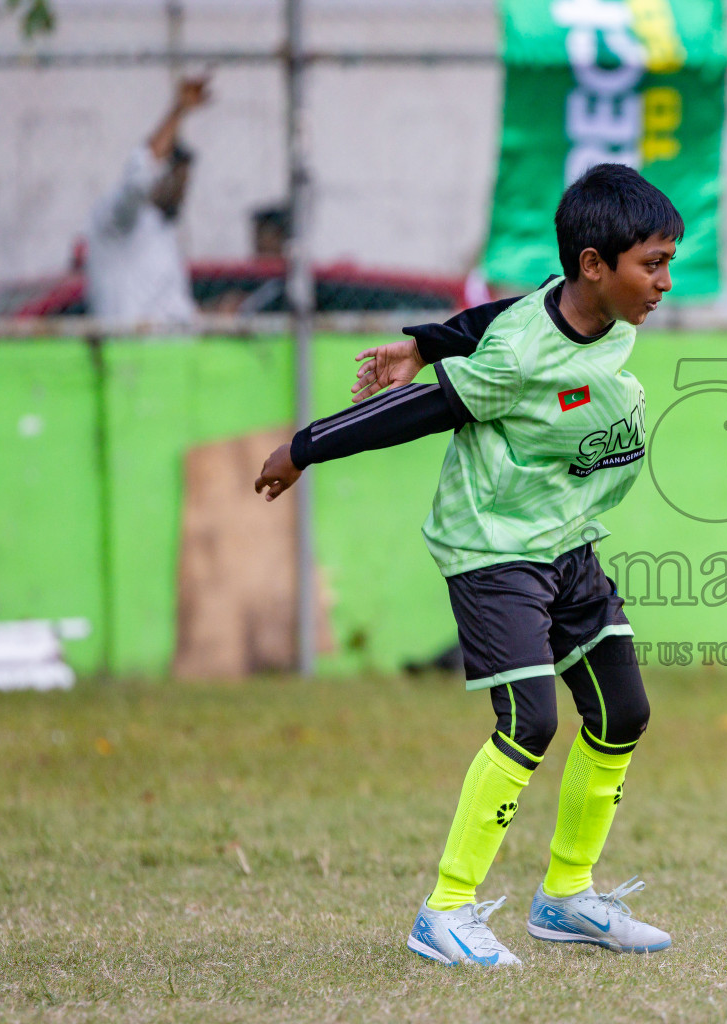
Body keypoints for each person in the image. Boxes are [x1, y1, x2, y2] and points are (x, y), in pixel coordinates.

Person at [253, 163, 681, 966]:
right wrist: (303, 447)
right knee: (531, 721)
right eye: (651, 264)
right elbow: (420, 411)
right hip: (495, 549)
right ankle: (444, 913)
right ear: (595, 265)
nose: (664, 282)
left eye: (666, 262)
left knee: (621, 711)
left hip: (566, 539)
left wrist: (423, 339)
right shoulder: (521, 356)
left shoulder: (600, 312)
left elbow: (499, 313)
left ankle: (566, 898)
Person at [85, 74, 211, 325]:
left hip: (166, 358)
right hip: (125, 353)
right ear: (160, 177)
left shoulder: (163, 232)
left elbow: (175, 309)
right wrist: (179, 111)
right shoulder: (120, 219)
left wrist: (216, 314)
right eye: (176, 181)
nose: (181, 193)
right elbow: (140, 173)